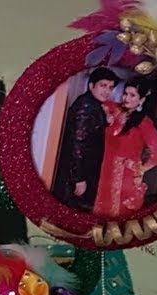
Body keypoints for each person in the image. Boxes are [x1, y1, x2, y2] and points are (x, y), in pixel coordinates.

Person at [93, 74, 157, 218]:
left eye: (132, 95)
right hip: (107, 171)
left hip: (124, 176)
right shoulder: (117, 112)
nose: (126, 98)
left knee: (117, 215)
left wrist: (141, 168)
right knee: (101, 212)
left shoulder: (143, 123)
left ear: (142, 99)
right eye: (125, 93)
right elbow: (103, 103)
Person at [52, 67, 118, 212]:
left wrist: (105, 121)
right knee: (69, 211)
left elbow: (89, 133)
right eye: (103, 85)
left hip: (79, 171)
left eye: (110, 87)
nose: (107, 91)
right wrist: (79, 179)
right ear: (91, 85)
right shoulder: (87, 106)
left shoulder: (92, 104)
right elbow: (77, 145)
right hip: (75, 174)